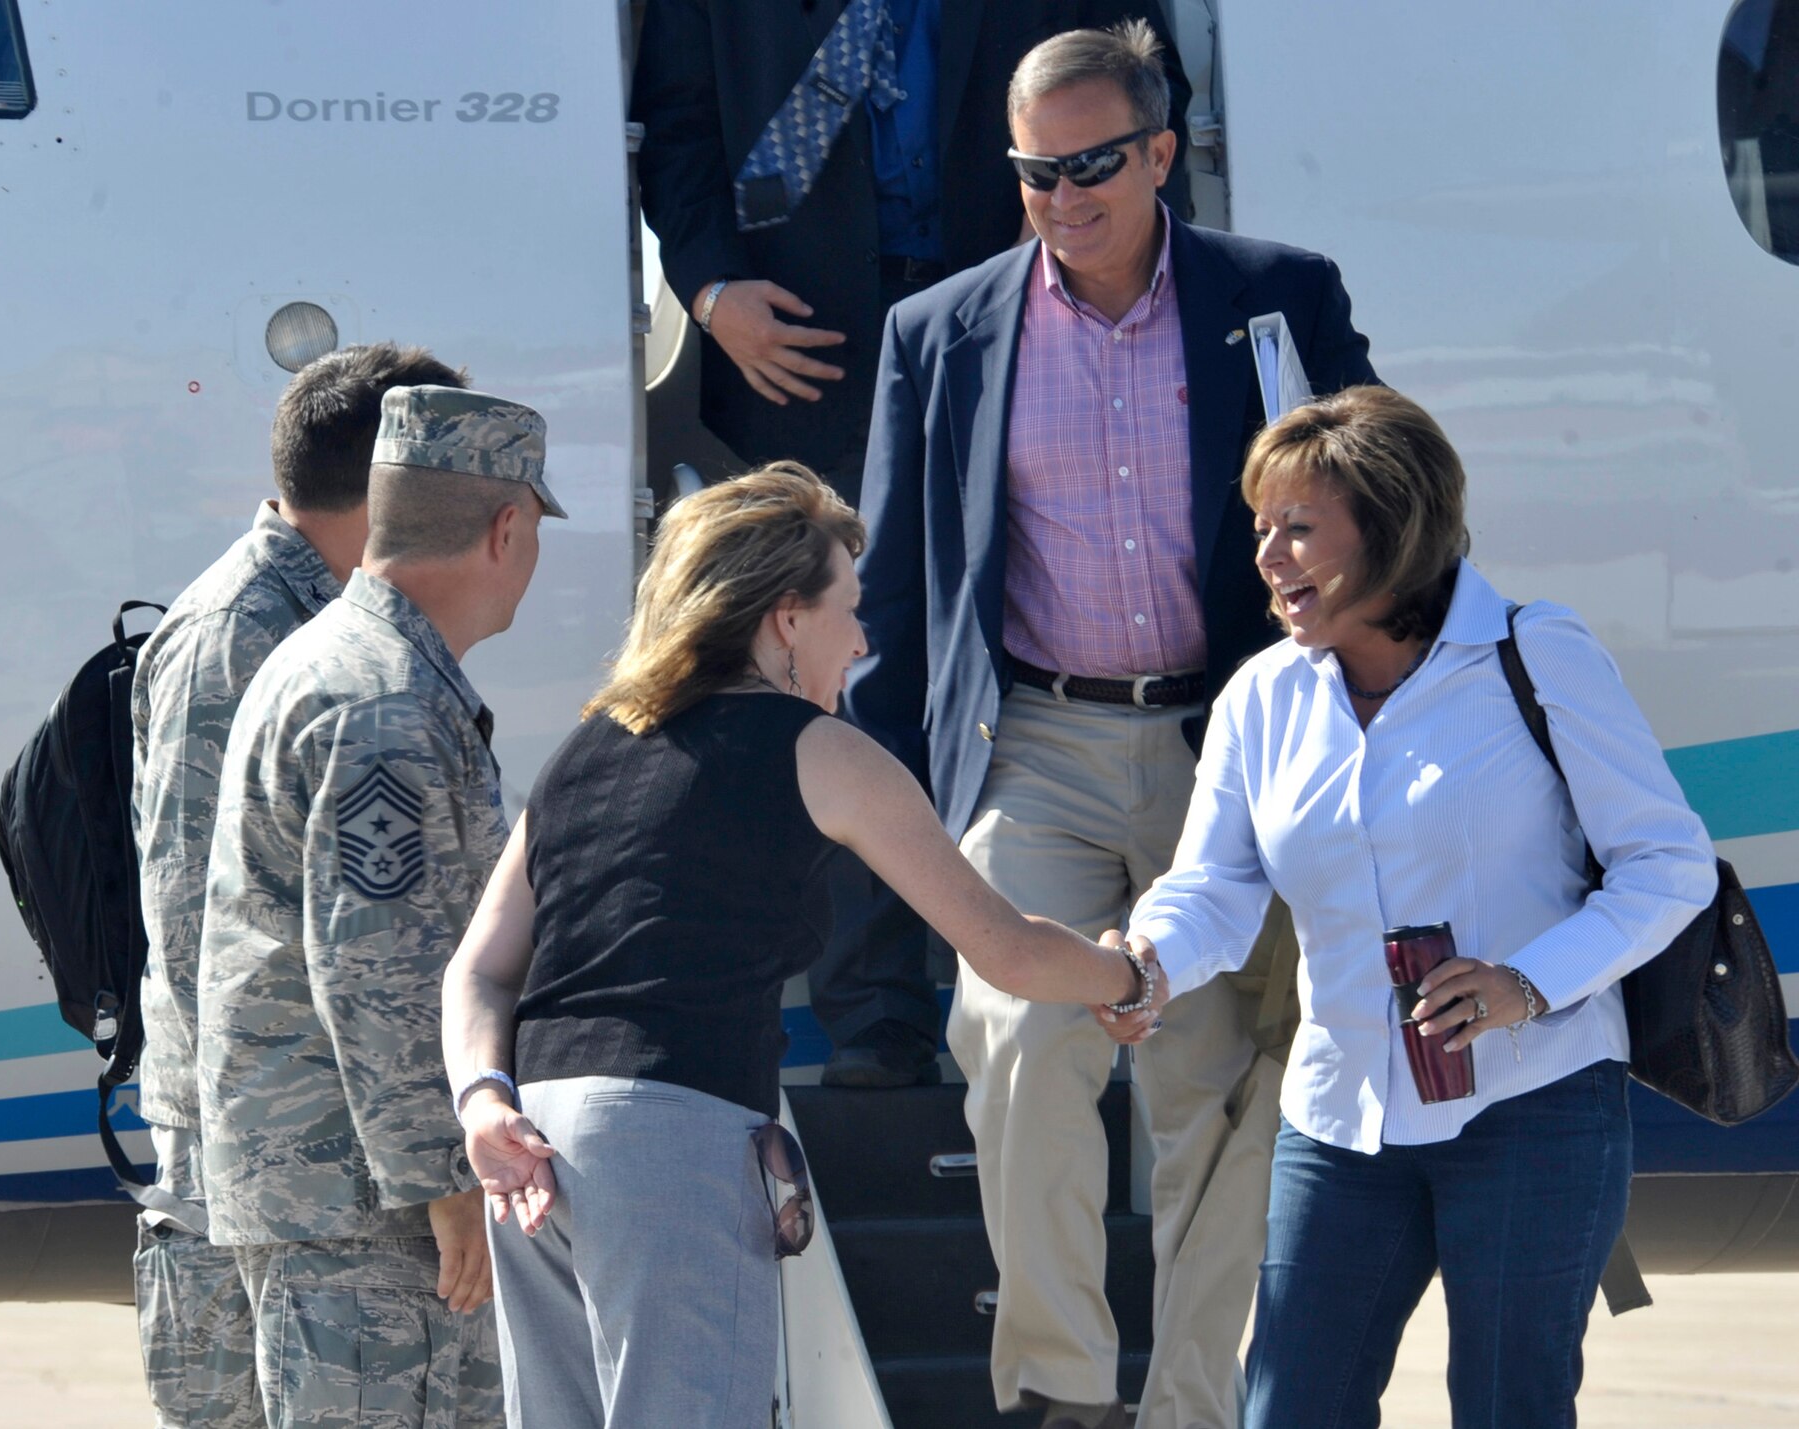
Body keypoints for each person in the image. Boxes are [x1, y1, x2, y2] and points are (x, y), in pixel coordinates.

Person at [848, 21, 1379, 1429]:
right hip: (1040, 744)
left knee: (1210, 1089)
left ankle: (1198, 1407)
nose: (1061, 195)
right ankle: (1062, 1393)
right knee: (1020, 1035)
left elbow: (1382, 517)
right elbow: (897, 595)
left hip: (1234, 741)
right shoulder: (940, 332)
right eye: (1032, 171)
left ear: (1159, 151)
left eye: (1090, 163)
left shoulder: (1280, 302)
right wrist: (876, 807)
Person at [439, 465, 1155, 1429]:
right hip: (670, 1141)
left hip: (531, 1143)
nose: (860, 642)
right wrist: (1131, 972)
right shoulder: (822, 750)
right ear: (784, 618)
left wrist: (483, 1102)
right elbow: (1007, 948)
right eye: (847, 610)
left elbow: (481, 967)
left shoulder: (589, 747)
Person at [1107, 384, 1716, 1429]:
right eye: (1260, 528)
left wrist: (1527, 985)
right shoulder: (1262, 694)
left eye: (1297, 529)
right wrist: (1143, 961)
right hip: (1338, 1118)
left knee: (1506, 1408)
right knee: (1288, 1410)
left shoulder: (1535, 653)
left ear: (1390, 529)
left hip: (1535, 1108)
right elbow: (1214, 885)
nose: (1267, 556)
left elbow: (1667, 864)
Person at [631, 0, 1193, 1087]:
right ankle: (875, 1015)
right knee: (842, 684)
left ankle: (1086, 986)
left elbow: (1135, 90)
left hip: (1020, 343)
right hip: (801, 359)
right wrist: (705, 290)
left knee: (1026, 655)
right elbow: (676, 127)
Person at [197, 386, 564, 1429]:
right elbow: (378, 965)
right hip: (370, 1214)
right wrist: (448, 1181)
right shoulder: (382, 702)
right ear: (506, 529)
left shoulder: (347, 662)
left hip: (332, 1189)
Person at [129, 343, 466, 1429]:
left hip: (297, 1141)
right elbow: (193, 915)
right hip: (258, 1147)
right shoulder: (242, 629)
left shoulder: (324, 613)